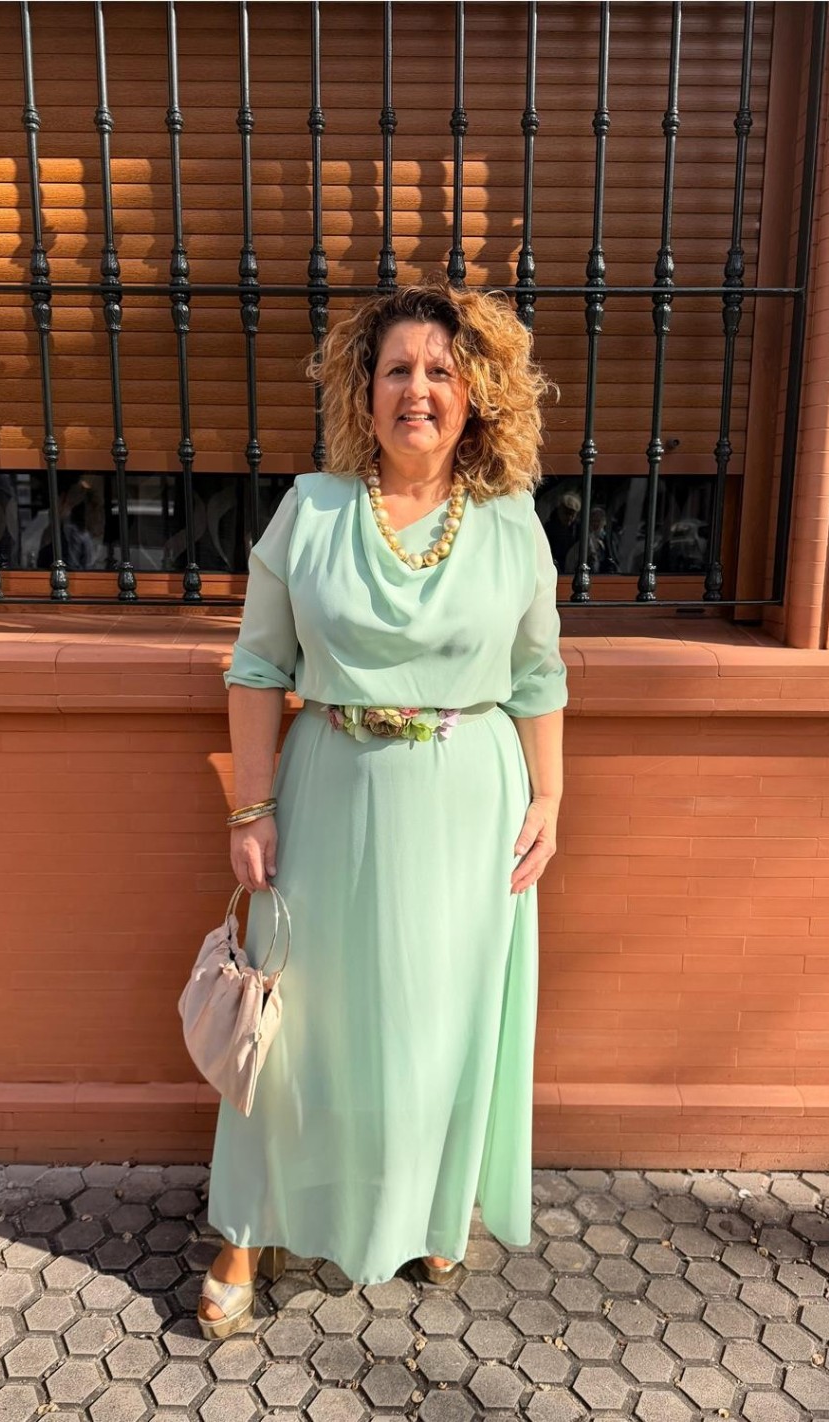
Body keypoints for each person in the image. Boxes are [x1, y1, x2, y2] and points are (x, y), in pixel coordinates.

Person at [198, 274, 568, 1338]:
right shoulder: (311, 511)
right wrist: (250, 808)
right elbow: (257, 667)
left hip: (468, 808)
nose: (418, 389)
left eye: (440, 371)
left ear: (474, 394)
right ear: (364, 393)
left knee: (439, 1025)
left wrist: (550, 794)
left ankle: (430, 1209)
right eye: (397, 369)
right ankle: (250, 1228)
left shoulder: (509, 525)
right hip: (327, 793)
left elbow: (536, 676)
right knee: (299, 1019)